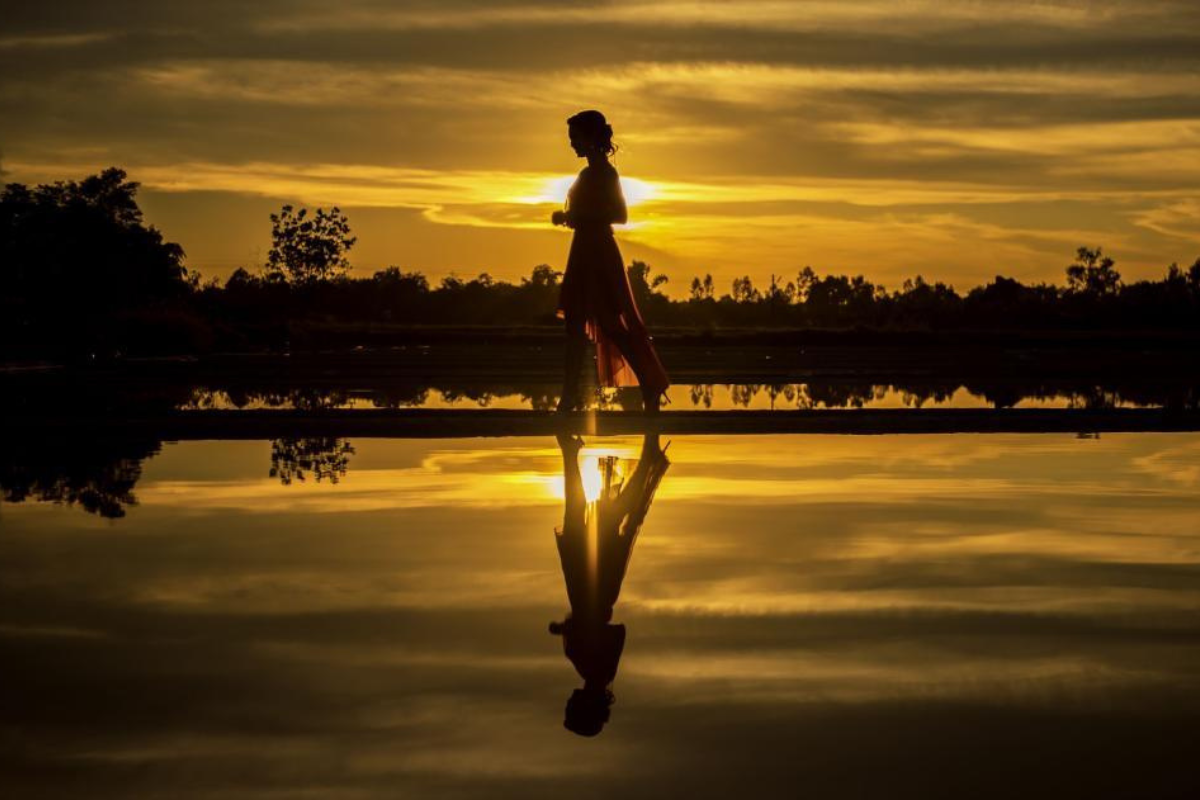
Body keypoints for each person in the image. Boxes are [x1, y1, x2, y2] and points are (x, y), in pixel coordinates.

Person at [549, 432, 671, 736]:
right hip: (595, 590)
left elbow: (605, 632)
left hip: (587, 591)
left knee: (587, 519)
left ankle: (575, 452)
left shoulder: (596, 673)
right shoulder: (599, 672)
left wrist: (569, 627)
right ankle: (643, 456)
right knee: (592, 519)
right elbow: (616, 632)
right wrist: (576, 627)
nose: (568, 700)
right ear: (586, 706)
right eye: (572, 707)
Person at [552, 110, 671, 414]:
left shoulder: (605, 174)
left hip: (599, 252)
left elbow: (620, 215)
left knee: (612, 325)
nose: (571, 145)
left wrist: (573, 217)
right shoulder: (587, 174)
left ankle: (650, 382)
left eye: (575, 138)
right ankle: (568, 398)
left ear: (591, 138)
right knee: (574, 327)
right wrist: (570, 219)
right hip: (583, 249)